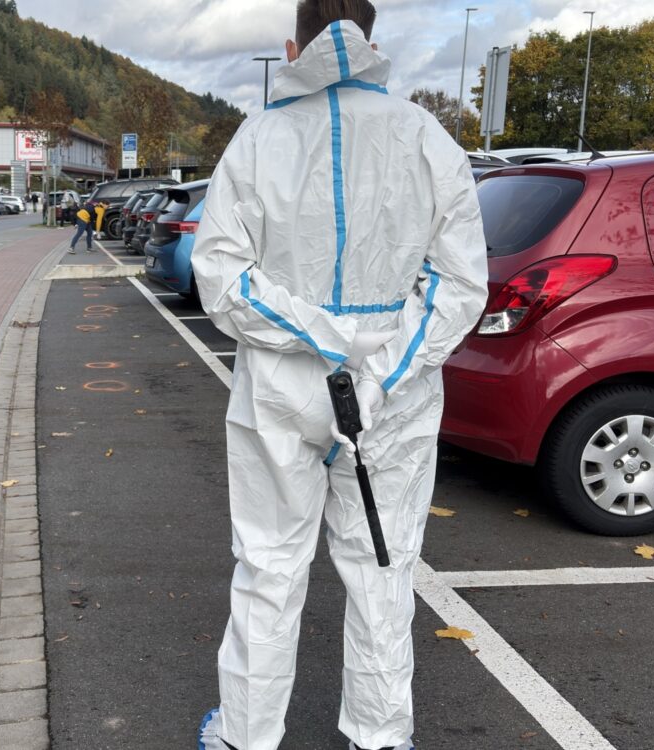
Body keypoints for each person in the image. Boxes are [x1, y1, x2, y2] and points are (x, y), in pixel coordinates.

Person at [192, 2, 487, 750]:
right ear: (370, 40)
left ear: (294, 46)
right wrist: (378, 368)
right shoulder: (425, 137)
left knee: (268, 566)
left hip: (279, 385)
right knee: (383, 565)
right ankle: (378, 735)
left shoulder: (259, 138)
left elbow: (221, 277)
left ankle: (246, 734)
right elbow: (459, 286)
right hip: (396, 387)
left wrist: (323, 338)